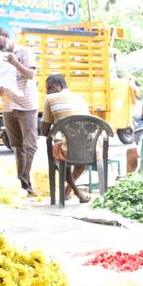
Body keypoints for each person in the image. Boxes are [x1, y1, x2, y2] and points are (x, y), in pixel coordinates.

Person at [0, 26, 39, 195]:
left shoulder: (24, 52)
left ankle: (25, 178)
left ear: (6, 36)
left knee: (29, 145)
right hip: (8, 105)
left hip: (26, 105)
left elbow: (30, 75)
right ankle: (24, 184)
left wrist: (15, 63)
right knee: (16, 146)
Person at [41, 73, 92, 202]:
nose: (47, 92)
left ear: (60, 86)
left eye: (49, 88)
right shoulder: (80, 98)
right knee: (80, 161)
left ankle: (76, 192)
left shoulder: (50, 99)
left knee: (59, 157)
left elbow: (44, 131)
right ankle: (67, 191)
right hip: (91, 150)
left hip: (69, 150)